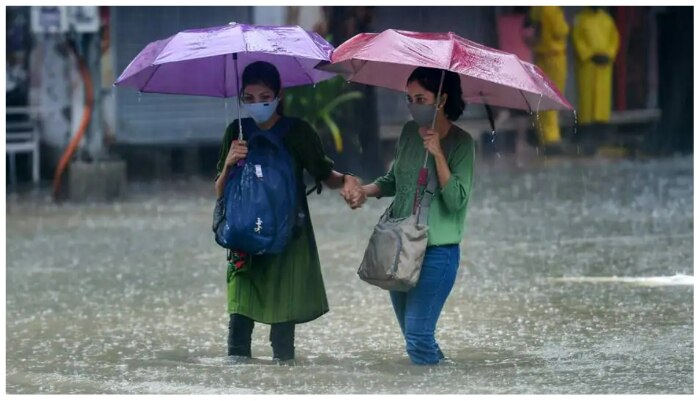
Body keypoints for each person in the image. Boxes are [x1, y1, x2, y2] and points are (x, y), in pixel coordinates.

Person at [215, 61, 362, 362]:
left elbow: (325, 175)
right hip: (244, 239)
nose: (258, 104)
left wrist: (346, 180)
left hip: (288, 240)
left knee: (283, 340)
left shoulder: (299, 133)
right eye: (250, 98)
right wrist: (229, 163)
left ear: (279, 94)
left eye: (265, 96)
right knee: (238, 328)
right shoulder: (236, 131)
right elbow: (220, 192)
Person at [345, 67, 476, 365]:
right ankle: (446, 386)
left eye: (420, 98)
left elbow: (456, 201)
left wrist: (439, 154)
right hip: (400, 248)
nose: (413, 105)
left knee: (418, 337)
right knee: (414, 338)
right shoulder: (407, 133)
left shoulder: (462, 143)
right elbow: (394, 180)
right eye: (409, 98)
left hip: (437, 253)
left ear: (441, 99)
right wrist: (364, 191)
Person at [530, 6, 569, 155]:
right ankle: (552, 138)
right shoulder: (551, 8)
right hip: (554, 56)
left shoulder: (537, 9)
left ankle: (544, 135)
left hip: (540, 55)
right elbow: (561, 30)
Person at [572, 6, 620, 126]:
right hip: (588, 65)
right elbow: (577, 38)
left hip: (603, 65)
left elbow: (614, 39)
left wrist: (609, 54)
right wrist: (589, 55)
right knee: (587, 97)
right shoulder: (580, 19)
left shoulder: (607, 19)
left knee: (602, 97)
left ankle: (601, 126)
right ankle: (585, 127)